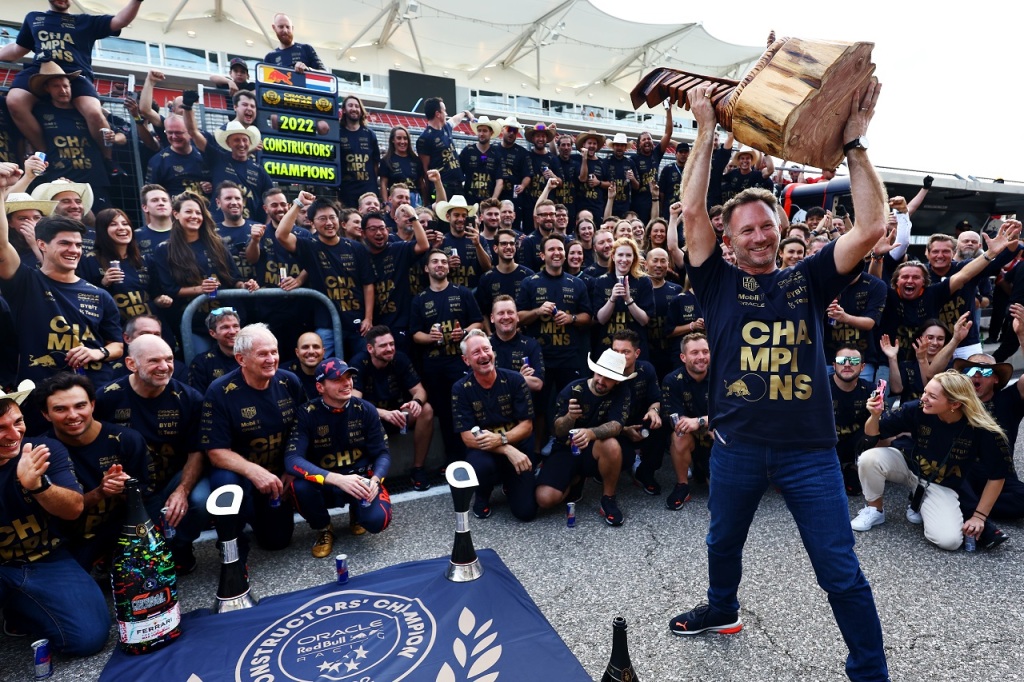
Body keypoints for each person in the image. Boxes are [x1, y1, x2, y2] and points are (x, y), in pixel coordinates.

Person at [668, 80, 891, 682]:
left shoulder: (808, 278)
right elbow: (692, 211)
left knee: (839, 571)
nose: (760, 237)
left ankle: (870, 671)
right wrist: (706, 130)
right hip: (737, 447)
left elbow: (872, 224)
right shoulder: (714, 281)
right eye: (746, 231)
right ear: (729, 240)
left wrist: (855, 144)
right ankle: (722, 608)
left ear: (779, 224)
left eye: (766, 226)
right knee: (722, 544)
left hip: (808, 453)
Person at [0, 380, 110, 656]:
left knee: (88, 639)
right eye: (0, 428)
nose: (14, 434)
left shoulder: (43, 449)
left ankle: (21, 608)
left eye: (18, 422)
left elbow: (73, 509)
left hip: (46, 558)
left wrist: (38, 486)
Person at [853, 371, 1010, 551]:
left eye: (932, 396)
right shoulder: (916, 408)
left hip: (940, 484)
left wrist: (979, 517)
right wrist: (874, 416)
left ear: (955, 404)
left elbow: (997, 476)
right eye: (925, 392)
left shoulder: (983, 429)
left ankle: (919, 502)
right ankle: (875, 509)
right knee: (869, 459)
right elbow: (872, 434)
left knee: (949, 541)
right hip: (909, 466)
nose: (923, 398)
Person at [95, 334, 207, 573]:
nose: (164, 367)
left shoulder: (189, 398)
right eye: (154, 360)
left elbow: (196, 451)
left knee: (200, 500)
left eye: (169, 359)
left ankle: (180, 546)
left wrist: (182, 491)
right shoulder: (107, 397)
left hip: (172, 479)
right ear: (131, 364)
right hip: (127, 488)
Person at [0, 185, 123, 391]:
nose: (73, 250)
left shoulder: (100, 295)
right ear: (42, 245)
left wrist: (98, 352)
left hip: (93, 391)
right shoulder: (25, 283)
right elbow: (2, 245)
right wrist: (2, 188)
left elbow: (117, 345)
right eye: (65, 243)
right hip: (40, 393)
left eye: (78, 245)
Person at [201, 324, 305, 553]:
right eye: (262, 354)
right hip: (239, 474)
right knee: (225, 481)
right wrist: (254, 472)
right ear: (241, 359)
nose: (271, 359)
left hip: (278, 474)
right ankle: (231, 543)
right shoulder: (219, 391)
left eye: (274, 352)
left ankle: (257, 516)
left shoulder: (289, 382)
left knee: (276, 542)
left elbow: (303, 432)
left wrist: (293, 467)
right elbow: (216, 452)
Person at [0, 0, 141, 170]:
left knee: (94, 112)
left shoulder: (86, 21)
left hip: (75, 74)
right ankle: (44, 152)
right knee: (15, 101)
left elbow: (120, 21)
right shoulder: (34, 18)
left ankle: (108, 159)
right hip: (42, 70)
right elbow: (17, 50)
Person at [35, 372, 151, 570]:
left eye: (80, 406)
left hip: (122, 528)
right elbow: (55, 513)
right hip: (68, 538)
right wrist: (100, 492)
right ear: (46, 414)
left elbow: (148, 499)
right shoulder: (40, 452)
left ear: (93, 405)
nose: (73, 415)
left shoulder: (128, 440)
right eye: (60, 409)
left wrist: (126, 488)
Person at [285, 358, 393, 557]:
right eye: (337, 379)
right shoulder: (306, 413)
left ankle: (357, 513)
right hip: (326, 483)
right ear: (320, 387)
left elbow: (383, 453)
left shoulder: (366, 409)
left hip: (360, 481)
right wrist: (338, 479)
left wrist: (376, 480)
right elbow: (292, 460)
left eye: (349, 377)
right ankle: (324, 528)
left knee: (378, 521)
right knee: (298, 486)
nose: (347, 384)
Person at [150, 191, 259, 356]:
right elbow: (169, 289)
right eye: (188, 211)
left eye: (198, 212)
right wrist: (200, 289)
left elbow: (234, 279)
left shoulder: (218, 243)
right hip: (194, 324)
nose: (194, 216)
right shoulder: (164, 249)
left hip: (228, 322)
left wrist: (245, 285)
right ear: (176, 214)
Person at [535, 348, 634, 526]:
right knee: (545, 499)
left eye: (608, 378)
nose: (601, 381)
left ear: (617, 381)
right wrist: (570, 417)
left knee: (611, 444)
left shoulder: (622, 391)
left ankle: (608, 498)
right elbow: (558, 431)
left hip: (596, 449)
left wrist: (590, 433)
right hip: (566, 448)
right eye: (599, 374)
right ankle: (574, 480)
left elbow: (616, 425)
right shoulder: (573, 389)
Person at [274, 191, 373, 358]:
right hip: (326, 324)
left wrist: (368, 318)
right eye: (322, 218)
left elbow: (368, 284)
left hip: (358, 323)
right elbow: (281, 234)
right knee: (320, 366)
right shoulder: (310, 246)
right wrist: (298, 203)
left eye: (332, 217)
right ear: (312, 222)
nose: (329, 223)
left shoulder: (356, 247)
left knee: (364, 363)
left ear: (339, 221)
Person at [452, 330, 537, 521]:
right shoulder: (460, 389)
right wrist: (506, 448)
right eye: (476, 352)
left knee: (526, 513)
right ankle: (482, 495)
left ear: (493, 352)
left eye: (486, 349)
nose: (483, 355)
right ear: (466, 360)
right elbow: (467, 438)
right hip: (485, 453)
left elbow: (527, 426)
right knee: (480, 466)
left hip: (519, 448)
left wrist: (501, 439)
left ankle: (510, 483)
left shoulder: (515, 380)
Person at [410, 248, 484, 461]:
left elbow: (478, 322)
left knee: (468, 409)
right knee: (444, 414)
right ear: (427, 268)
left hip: (460, 362)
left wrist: (464, 332)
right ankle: (453, 460)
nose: (440, 265)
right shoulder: (419, 300)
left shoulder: (463, 293)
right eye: (435, 262)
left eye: (443, 261)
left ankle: (473, 456)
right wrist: (430, 337)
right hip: (434, 366)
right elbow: (415, 334)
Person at [349, 325, 434, 491]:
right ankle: (368, 475)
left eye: (392, 344)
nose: (389, 349)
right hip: (373, 421)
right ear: (370, 348)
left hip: (398, 417)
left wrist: (416, 402)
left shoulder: (400, 359)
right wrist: (384, 414)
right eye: (383, 345)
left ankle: (418, 469)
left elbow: (420, 390)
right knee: (352, 417)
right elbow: (354, 403)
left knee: (426, 409)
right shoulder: (358, 363)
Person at [953, 351, 1024, 520]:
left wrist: (1021, 338)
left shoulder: (1008, 399)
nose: (976, 374)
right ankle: (974, 505)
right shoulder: (953, 402)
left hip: (1000, 472)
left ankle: (970, 505)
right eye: (970, 370)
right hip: (963, 471)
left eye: (985, 371)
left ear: (996, 379)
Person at [77, 208, 158, 324]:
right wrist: (104, 284)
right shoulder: (88, 260)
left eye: (125, 223)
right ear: (102, 230)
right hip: (114, 328)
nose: (121, 228)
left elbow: (156, 294)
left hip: (149, 326)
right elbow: (84, 300)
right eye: (113, 224)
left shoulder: (145, 260)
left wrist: (162, 299)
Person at [661, 333, 711, 509]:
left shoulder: (721, 377)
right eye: (694, 353)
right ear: (683, 357)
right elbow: (675, 419)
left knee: (720, 492)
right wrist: (698, 423)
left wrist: (701, 421)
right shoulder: (672, 380)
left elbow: (730, 413)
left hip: (714, 435)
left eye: (705, 352)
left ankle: (704, 470)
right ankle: (682, 485)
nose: (701, 357)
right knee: (679, 435)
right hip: (690, 436)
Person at [592, 237, 653, 354]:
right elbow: (601, 319)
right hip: (608, 348)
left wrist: (628, 299)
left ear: (634, 258)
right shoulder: (601, 281)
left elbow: (644, 320)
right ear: (613, 257)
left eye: (628, 255)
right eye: (620, 255)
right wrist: (612, 299)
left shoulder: (644, 281)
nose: (624, 259)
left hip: (635, 349)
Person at [828, 347, 874, 495]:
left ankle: (855, 467)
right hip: (827, 443)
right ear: (834, 365)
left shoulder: (870, 389)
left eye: (854, 361)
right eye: (842, 361)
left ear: (862, 367)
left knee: (886, 434)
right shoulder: (820, 387)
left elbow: (882, 426)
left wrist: (876, 414)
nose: (847, 364)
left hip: (857, 444)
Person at [417, 97, 469, 203]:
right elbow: (425, 170)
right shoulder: (425, 138)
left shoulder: (446, 128)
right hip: (442, 188)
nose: (446, 114)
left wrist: (465, 113)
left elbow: (455, 119)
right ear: (438, 114)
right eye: (444, 111)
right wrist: (427, 198)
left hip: (457, 185)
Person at [337, 96, 380, 209]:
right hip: (347, 191)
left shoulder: (370, 134)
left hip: (368, 190)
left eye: (357, 106)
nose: (354, 109)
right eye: (350, 105)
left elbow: (375, 163)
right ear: (344, 110)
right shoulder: (338, 133)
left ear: (361, 110)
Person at [187, 307, 242, 393]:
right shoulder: (201, 363)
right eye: (225, 327)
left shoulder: (253, 355)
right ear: (213, 333)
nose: (232, 331)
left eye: (236, 326)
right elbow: (198, 398)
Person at [380, 129, 423, 207]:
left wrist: (425, 202)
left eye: (405, 138)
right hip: (396, 200)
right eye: (399, 138)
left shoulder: (416, 160)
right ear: (393, 140)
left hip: (414, 200)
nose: (402, 142)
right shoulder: (386, 160)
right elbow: (383, 184)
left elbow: (421, 183)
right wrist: (386, 204)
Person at [283, 331, 325, 401]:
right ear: (297, 352)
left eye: (316, 347)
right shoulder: (284, 374)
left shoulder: (335, 372)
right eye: (305, 347)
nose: (311, 351)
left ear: (323, 351)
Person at [135, 184, 174, 258]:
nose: (161, 203)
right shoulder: (136, 236)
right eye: (154, 200)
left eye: (164, 200)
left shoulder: (185, 232)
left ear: (171, 206)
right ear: (145, 207)